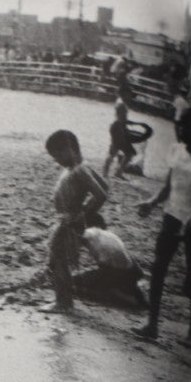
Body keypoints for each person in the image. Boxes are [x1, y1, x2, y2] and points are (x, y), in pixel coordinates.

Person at [135, 113, 191, 345]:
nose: (181, 133)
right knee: (158, 268)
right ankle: (152, 324)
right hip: (171, 215)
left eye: (185, 129)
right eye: (178, 128)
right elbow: (168, 186)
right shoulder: (176, 150)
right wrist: (151, 203)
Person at [41, 130, 109, 315]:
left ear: (70, 149)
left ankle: (63, 303)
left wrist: (83, 213)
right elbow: (105, 185)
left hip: (69, 222)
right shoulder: (80, 167)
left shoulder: (79, 170)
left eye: (58, 155)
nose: (57, 161)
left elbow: (101, 194)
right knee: (59, 260)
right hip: (65, 219)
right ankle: (63, 299)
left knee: (59, 262)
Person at [73, 221, 146, 310]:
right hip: (130, 267)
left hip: (121, 272)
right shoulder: (97, 233)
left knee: (86, 283)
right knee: (86, 277)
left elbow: (103, 269)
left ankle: (122, 295)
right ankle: (131, 293)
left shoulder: (96, 245)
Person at [102, 101, 153, 180]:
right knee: (112, 153)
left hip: (121, 137)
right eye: (124, 113)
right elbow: (124, 127)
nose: (125, 115)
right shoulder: (117, 123)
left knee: (128, 154)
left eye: (125, 113)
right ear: (119, 113)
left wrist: (138, 124)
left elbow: (127, 123)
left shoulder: (121, 120)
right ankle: (106, 173)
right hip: (117, 137)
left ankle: (117, 172)